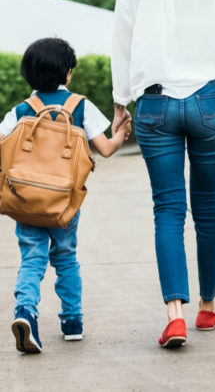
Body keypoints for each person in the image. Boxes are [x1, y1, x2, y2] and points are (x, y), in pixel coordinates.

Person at [111, 0, 215, 348]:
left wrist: (120, 102)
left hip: (154, 104)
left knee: (168, 209)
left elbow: (122, 39)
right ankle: (207, 307)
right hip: (209, 100)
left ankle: (175, 318)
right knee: (208, 208)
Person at [0, 38, 131, 353]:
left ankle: (26, 312)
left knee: (32, 259)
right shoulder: (80, 106)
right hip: (64, 203)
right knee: (66, 258)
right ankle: (72, 322)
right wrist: (121, 131)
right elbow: (106, 149)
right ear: (68, 73)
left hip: (26, 201)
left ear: (28, 75)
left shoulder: (21, 110)